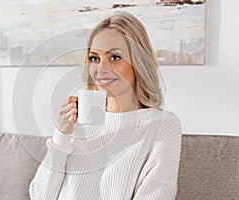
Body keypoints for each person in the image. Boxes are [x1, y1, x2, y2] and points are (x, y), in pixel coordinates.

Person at [29, 11, 182, 200]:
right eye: (94, 58)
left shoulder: (161, 124)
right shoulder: (78, 122)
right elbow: (40, 196)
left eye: (114, 58)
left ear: (138, 62)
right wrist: (62, 134)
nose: (101, 69)